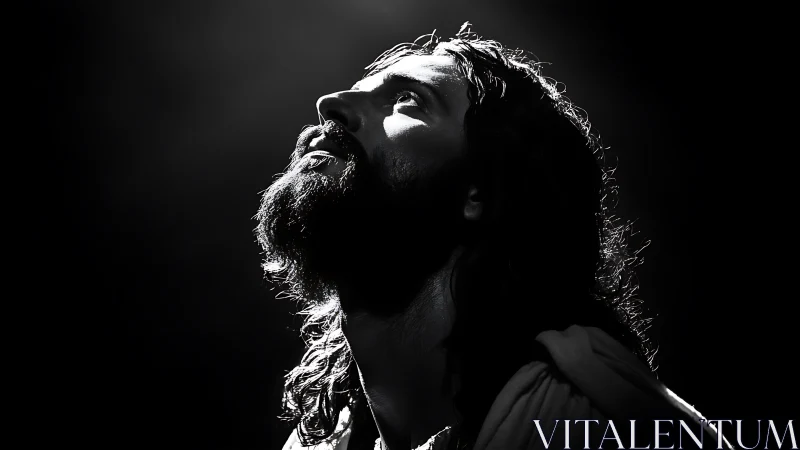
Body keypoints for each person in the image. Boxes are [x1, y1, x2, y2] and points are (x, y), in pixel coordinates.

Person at [256, 23, 732, 450]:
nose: (330, 104)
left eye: (408, 100)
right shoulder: (326, 438)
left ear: (479, 193)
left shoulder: (586, 425)